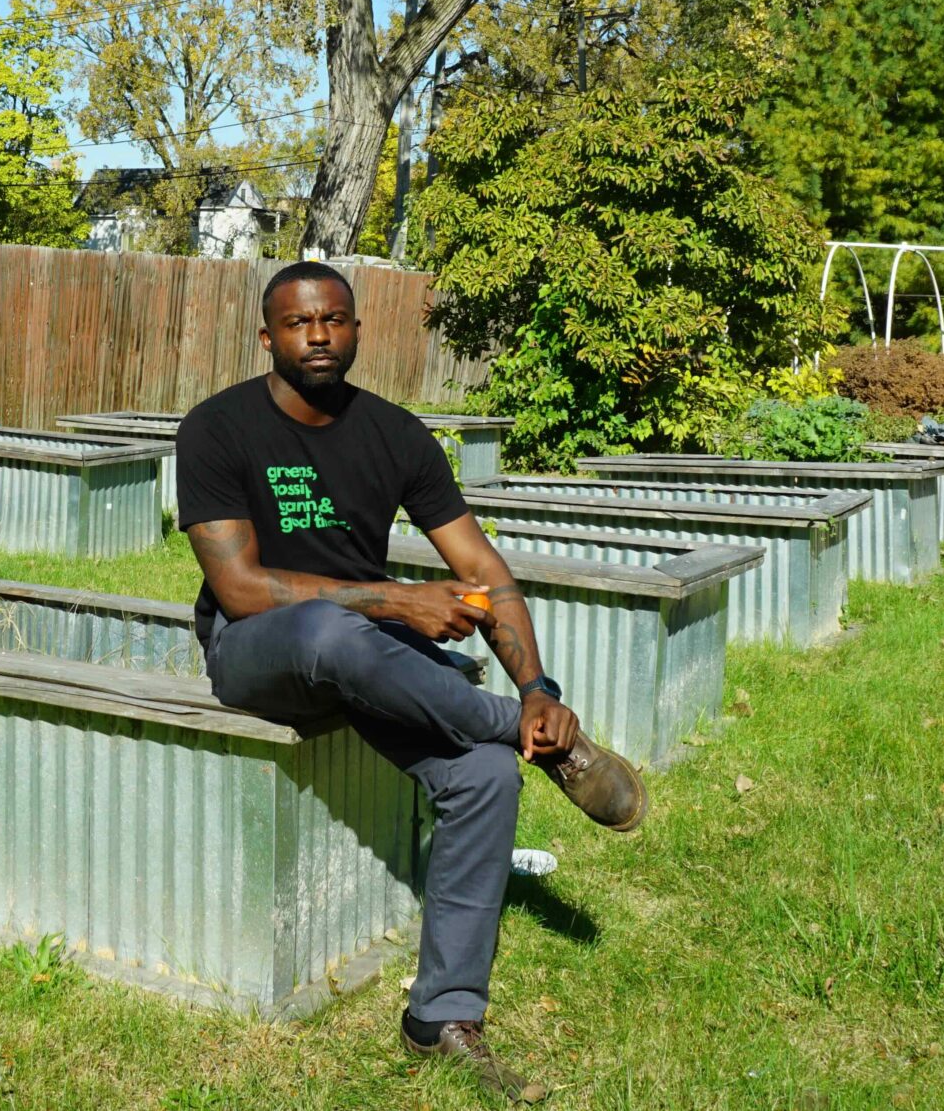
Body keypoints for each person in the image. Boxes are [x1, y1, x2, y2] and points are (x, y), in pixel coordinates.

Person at [175, 259, 645, 1103]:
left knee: (481, 774)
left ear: (356, 329)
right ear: (266, 335)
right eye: (298, 322)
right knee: (331, 629)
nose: (318, 334)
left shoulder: (395, 433)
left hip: (362, 653)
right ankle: (525, 733)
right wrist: (396, 600)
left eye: (334, 320)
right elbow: (242, 587)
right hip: (254, 651)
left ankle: (443, 1016)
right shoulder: (218, 427)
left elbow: (482, 570)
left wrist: (541, 684)